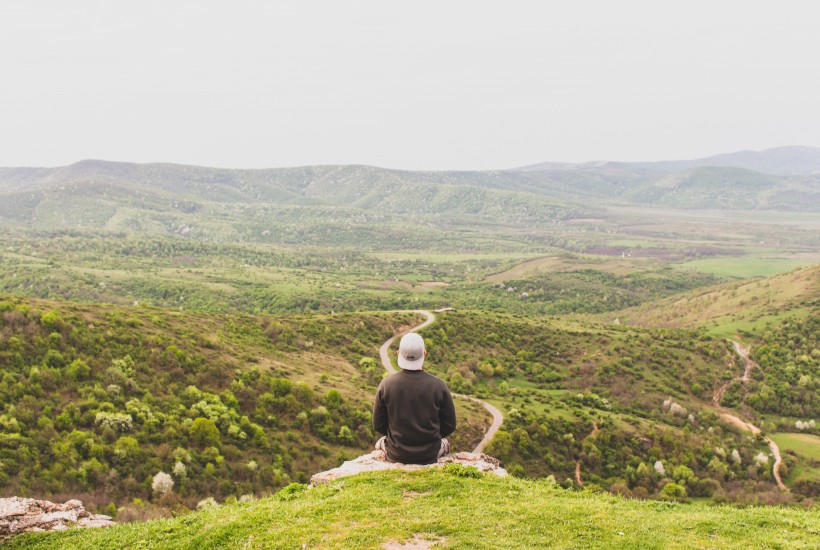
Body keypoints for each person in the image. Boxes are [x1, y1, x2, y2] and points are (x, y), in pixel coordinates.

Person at [372, 332, 456, 464]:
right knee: (445, 443)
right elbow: (450, 425)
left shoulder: (386, 385)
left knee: (379, 443)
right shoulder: (439, 385)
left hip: (396, 452)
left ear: (399, 353)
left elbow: (378, 425)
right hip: (429, 454)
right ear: (424, 354)